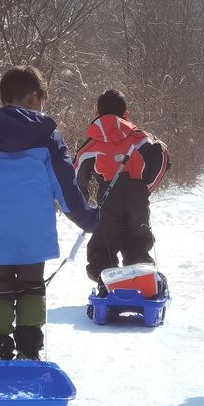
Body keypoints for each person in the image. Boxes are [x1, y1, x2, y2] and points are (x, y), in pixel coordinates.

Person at [0, 66, 99, 361]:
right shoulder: (47, 139)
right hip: (33, 235)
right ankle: (30, 351)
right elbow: (66, 189)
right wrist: (90, 219)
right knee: (32, 287)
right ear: (34, 98)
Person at [74, 89, 169, 292]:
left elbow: (77, 171)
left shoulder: (92, 143)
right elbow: (162, 155)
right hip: (137, 197)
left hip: (108, 197)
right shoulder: (141, 138)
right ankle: (143, 285)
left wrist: (83, 202)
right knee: (137, 241)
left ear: (97, 112)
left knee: (103, 245)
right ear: (125, 112)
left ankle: (106, 285)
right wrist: (147, 187)